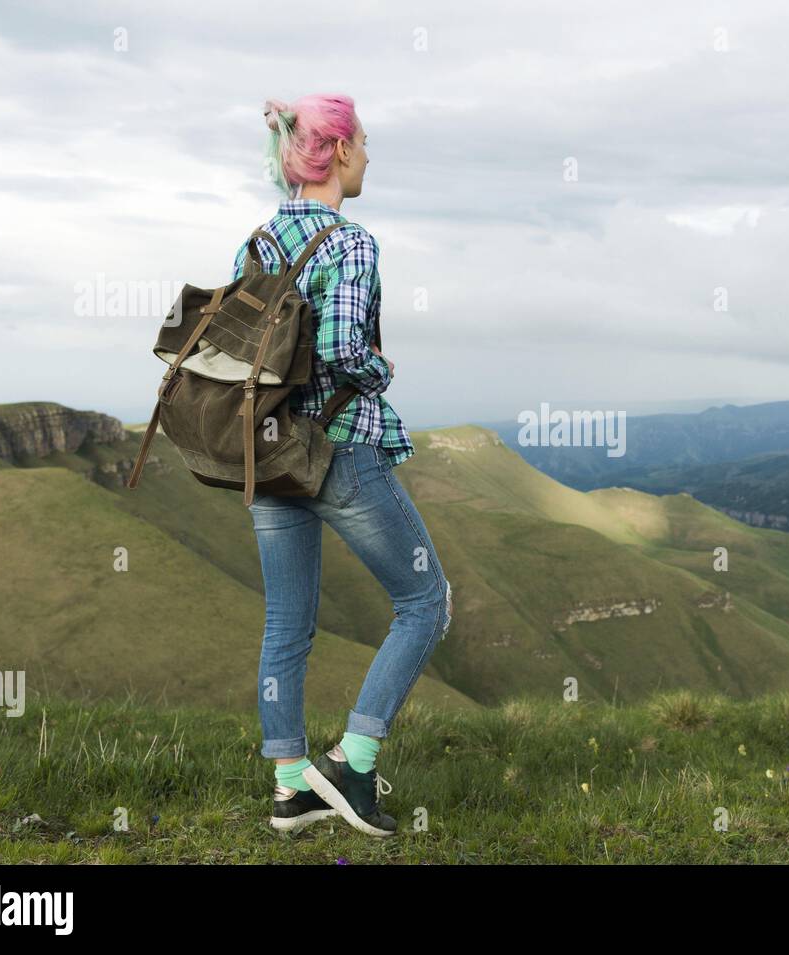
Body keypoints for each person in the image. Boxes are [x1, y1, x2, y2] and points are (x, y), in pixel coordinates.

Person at [233, 93, 451, 836]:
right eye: (363, 142)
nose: (368, 155)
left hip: (269, 453)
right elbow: (342, 354)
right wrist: (382, 368)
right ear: (339, 152)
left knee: (287, 622)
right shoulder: (352, 244)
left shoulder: (257, 242)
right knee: (427, 601)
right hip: (340, 452)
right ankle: (352, 762)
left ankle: (290, 788)